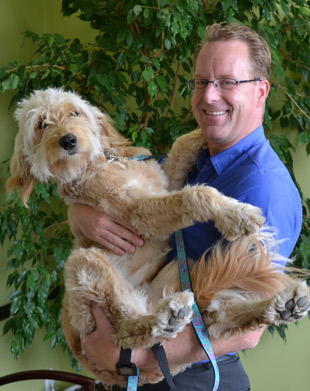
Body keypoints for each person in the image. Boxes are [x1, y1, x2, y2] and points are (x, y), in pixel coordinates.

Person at [69, 23, 302, 391]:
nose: (209, 96)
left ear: (261, 91)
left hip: (188, 374)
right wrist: (81, 216)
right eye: (200, 81)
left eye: (228, 82)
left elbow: (248, 328)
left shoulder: (263, 186)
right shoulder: (196, 154)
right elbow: (128, 196)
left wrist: (130, 358)